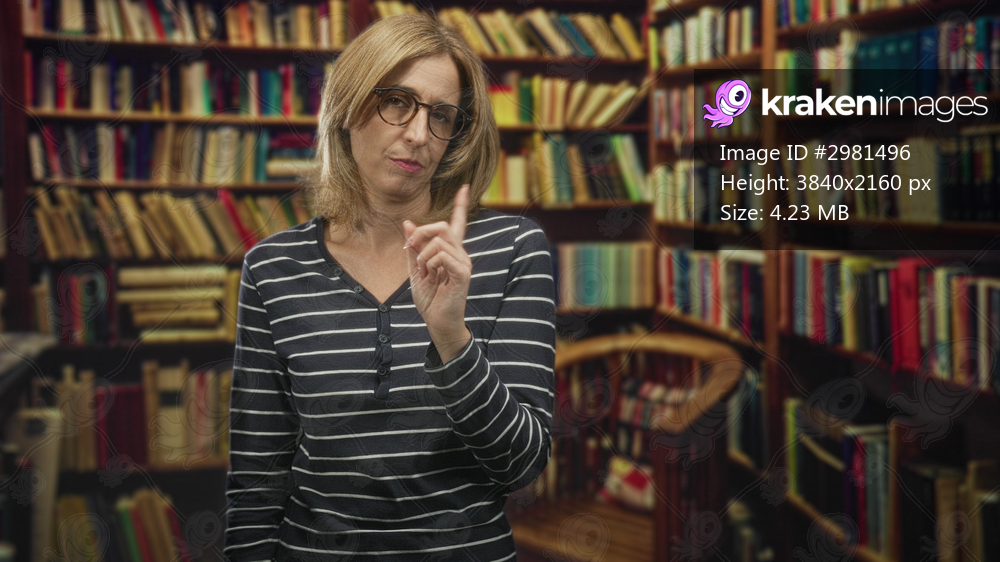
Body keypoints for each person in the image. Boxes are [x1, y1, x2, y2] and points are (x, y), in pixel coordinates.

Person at [224, 13, 556, 562]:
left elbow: (521, 466)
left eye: (441, 115)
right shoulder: (272, 267)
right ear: (347, 107)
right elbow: (256, 483)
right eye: (397, 102)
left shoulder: (513, 248)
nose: (420, 135)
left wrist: (451, 337)